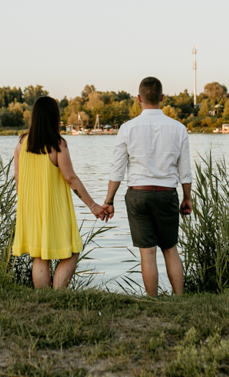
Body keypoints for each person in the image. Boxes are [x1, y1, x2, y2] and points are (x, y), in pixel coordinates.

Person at [102, 77, 192, 296]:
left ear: (139, 98)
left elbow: (117, 171)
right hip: (166, 194)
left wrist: (109, 201)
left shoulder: (127, 128)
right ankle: (179, 299)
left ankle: (153, 301)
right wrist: (186, 198)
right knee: (170, 249)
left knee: (147, 253)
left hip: (138, 196)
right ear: (162, 98)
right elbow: (185, 172)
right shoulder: (179, 129)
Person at [12, 96, 108, 289]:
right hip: (53, 206)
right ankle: (58, 294)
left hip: (29, 206)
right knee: (72, 250)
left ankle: (44, 298)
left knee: (39, 254)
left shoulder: (22, 143)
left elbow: (17, 177)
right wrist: (93, 205)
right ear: (54, 118)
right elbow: (70, 178)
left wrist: (24, 203)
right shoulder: (57, 145)